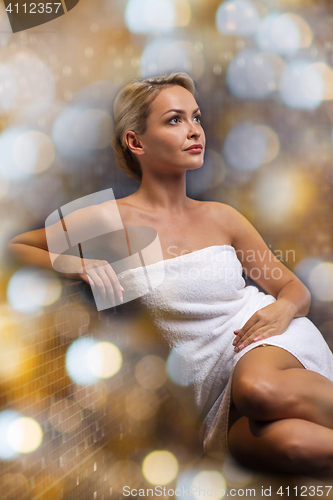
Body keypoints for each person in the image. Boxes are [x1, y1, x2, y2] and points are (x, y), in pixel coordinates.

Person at [7, 72, 333, 479]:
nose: (195, 130)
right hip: (208, 398)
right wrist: (79, 264)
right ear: (136, 141)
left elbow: (292, 288)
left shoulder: (220, 216)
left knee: (258, 389)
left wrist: (283, 310)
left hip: (262, 346)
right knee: (295, 446)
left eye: (195, 118)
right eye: (175, 120)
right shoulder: (111, 223)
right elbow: (16, 248)